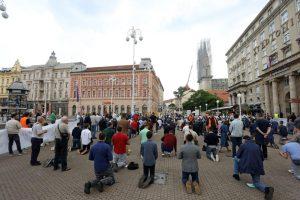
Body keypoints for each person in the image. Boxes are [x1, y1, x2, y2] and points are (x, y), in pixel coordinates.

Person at [233, 136, 274, 200]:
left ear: (245, 140)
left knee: (235, 158)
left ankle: (236, 174)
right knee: (256, 182)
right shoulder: (257, 146)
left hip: (247, 165)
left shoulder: (243, 145)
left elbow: (238, 156)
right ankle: (267, 189)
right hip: (258, 166)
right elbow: (262, 158)